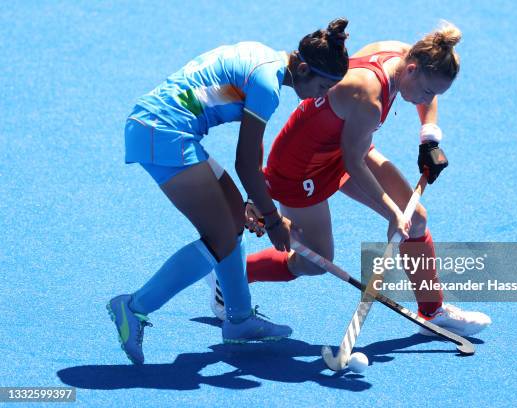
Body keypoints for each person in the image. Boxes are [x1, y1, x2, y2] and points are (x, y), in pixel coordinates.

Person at [210, 21, 491, 337]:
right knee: (316, 261)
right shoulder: (368, 98)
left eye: (434, 93)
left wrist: (429, 138)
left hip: (344, 146)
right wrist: (392, 214)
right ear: (412, 69)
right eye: (426, 90)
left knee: (417, 220)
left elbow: (424, 98)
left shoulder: (402, 54)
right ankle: (230, 275)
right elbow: (354, 164)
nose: (426, 98)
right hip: (300, 167)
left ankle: (432, 311)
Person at [107, 18, 350, 365]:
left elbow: (247, 160)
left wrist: (255, 203)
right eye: (323, 86)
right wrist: (272, 218)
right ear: (305, 68)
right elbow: (246, 162)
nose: (321, 96)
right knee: (220, 236)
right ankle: (133, 307)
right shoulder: (267, 87)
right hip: (162, 132)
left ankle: (238, 318)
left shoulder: (264, 56)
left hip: (170, 130)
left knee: (235, 215)